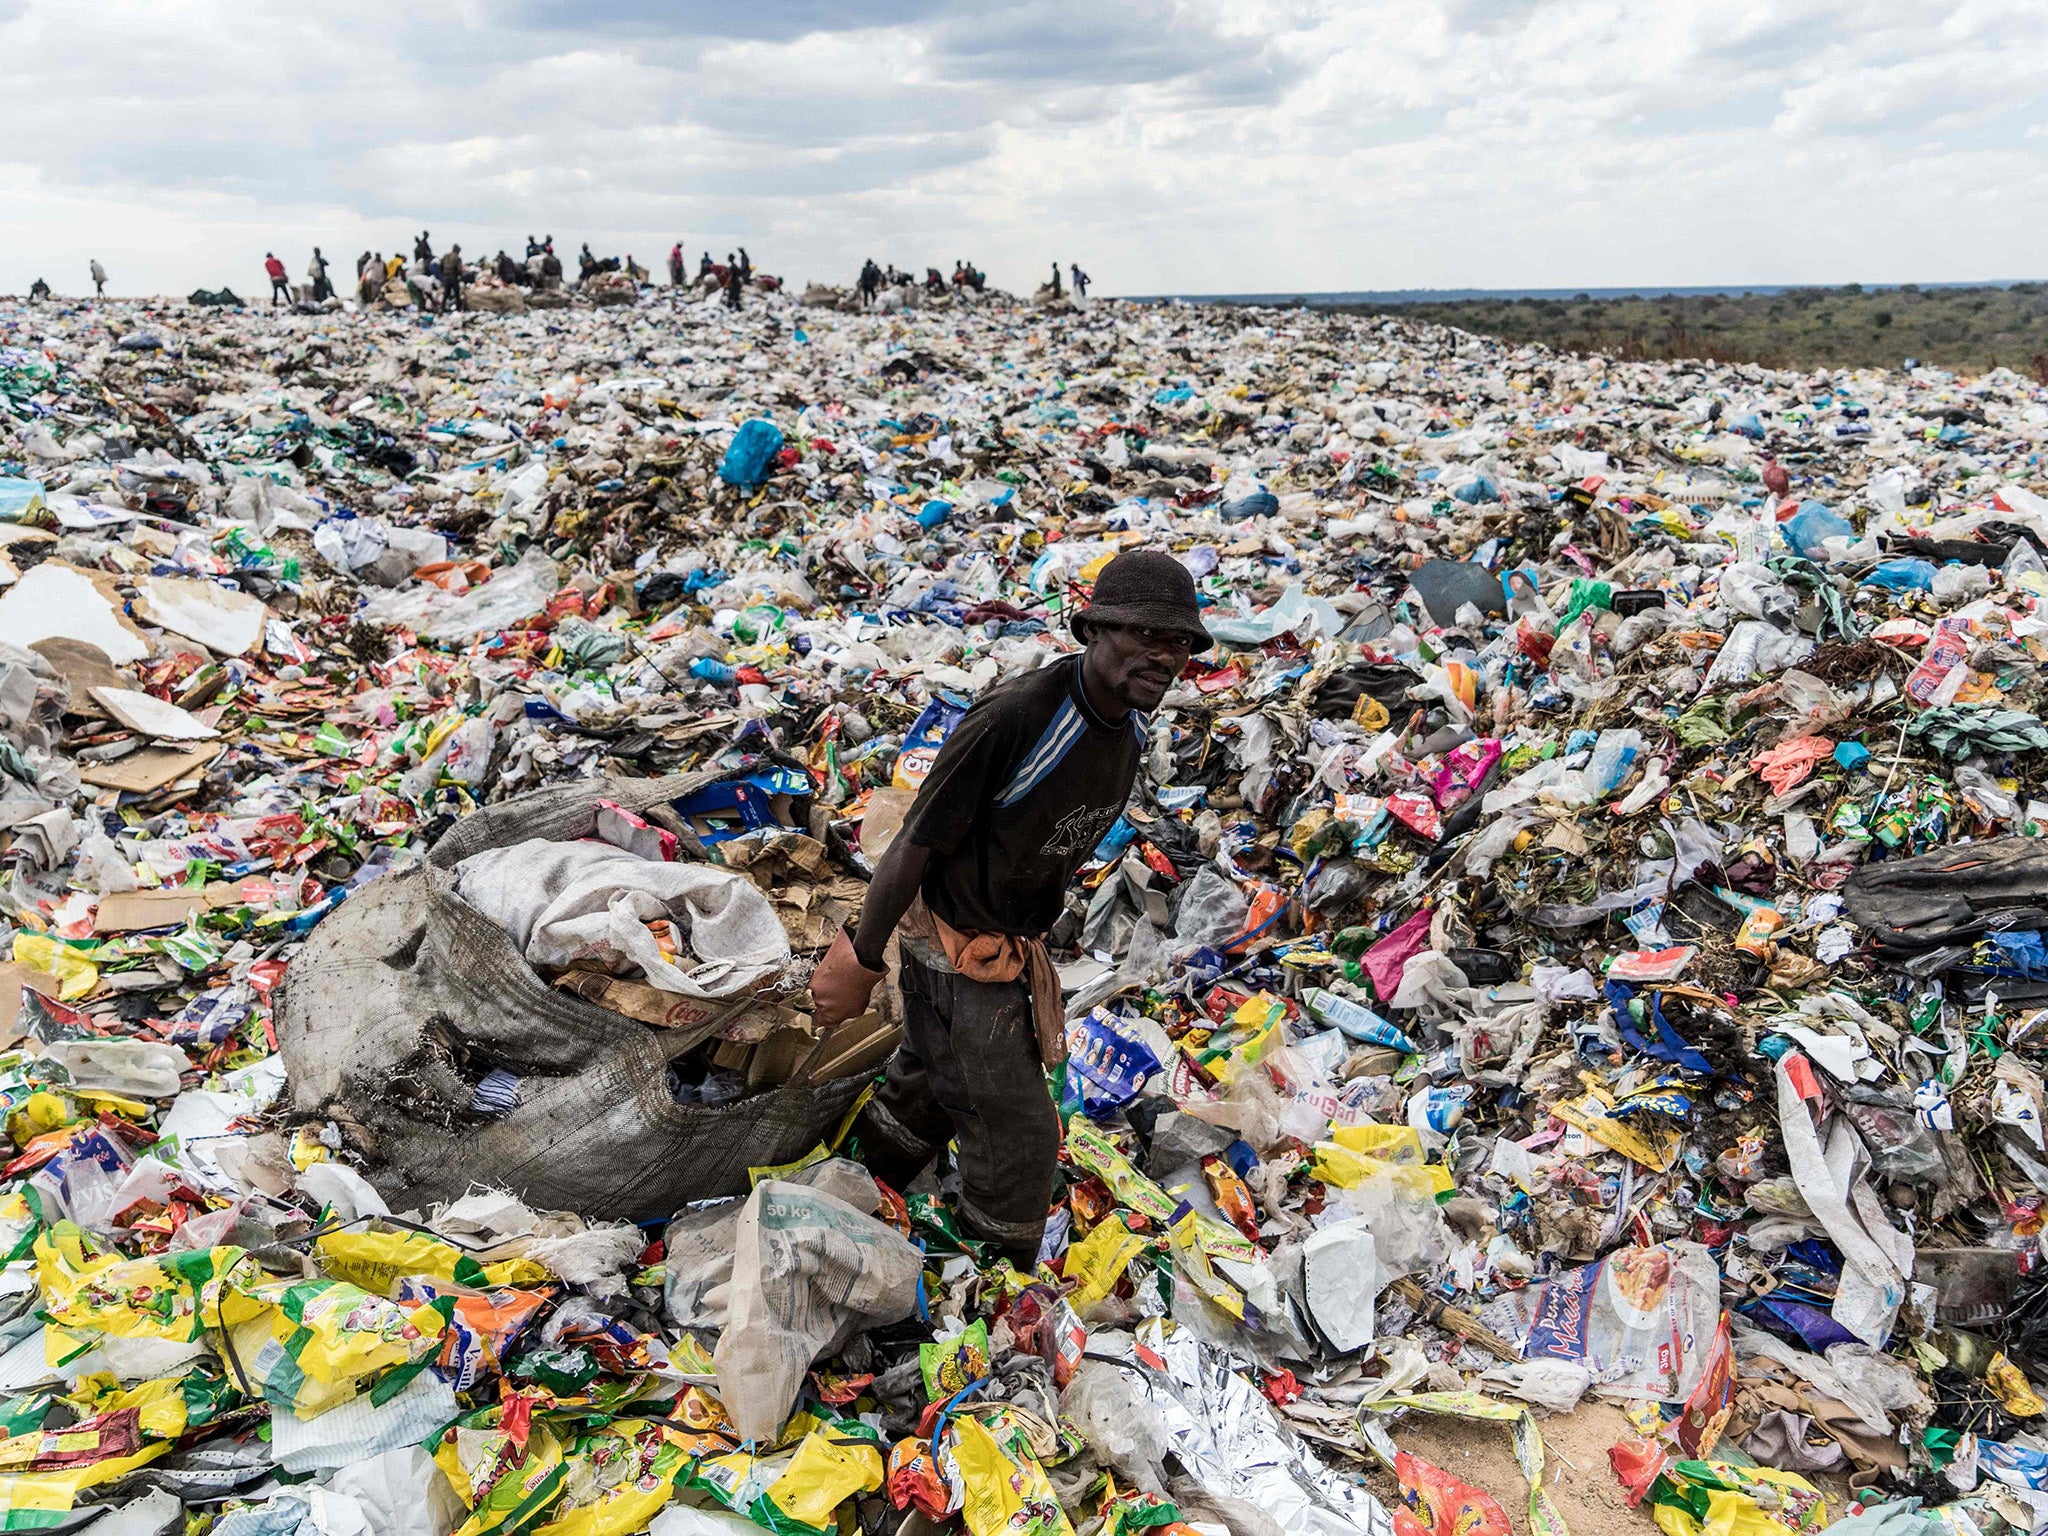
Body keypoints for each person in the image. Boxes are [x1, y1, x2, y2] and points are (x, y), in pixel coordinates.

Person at [810, 549, 1210, 1266]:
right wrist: (861, 958)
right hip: (954, 949)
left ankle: (857, 1187)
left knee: (933, 1082)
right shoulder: (1019, 717)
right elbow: (915, 844)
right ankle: (997, 1285)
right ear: (1094, 630)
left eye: (1178, 642)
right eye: (1145, 635)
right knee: (1021, 1135)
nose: (1165, 655)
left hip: (1008, 948)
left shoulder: (1127, 734)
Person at [442, 244, 465, 311]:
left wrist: (443, 274)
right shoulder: (458, 258)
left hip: (446, 277)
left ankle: (442, 308)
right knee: (457, 294)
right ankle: (458, 309)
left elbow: (441, 265)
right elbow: (459, 269)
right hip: (453, 277)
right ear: (457, 250)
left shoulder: (445, 256)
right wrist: (461, 277)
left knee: (446, 293)